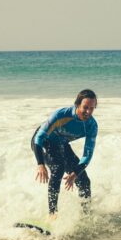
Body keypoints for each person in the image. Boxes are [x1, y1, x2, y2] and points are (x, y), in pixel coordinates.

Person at [32, 89, 98, 217]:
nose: (88, 112)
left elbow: (87, 155)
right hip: (43, 142)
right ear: (77, 104)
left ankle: (86, 216)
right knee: (58, 168)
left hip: (61, 144)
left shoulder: (92, 125)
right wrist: (40, 164)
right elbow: (38, 138)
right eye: (85, 107)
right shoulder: (61, 115)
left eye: (92, 108)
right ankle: (52, 215)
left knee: (83, 180)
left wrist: (75, 174)